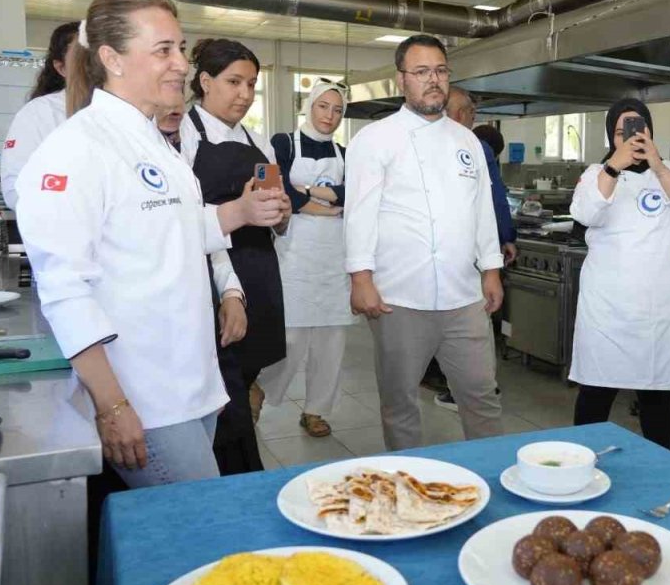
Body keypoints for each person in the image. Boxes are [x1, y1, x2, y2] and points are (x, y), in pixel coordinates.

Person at [15, 0, 285, 487]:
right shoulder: (76, 150)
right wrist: (111, 403)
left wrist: (240, 212)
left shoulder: (155, 143)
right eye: (164, 50)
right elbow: (65, 289)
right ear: (112, 58)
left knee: (173, 541)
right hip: (144, 397)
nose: (181, 64)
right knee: (196, 540)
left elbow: (177, 231)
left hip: (191, 385)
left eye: (181, 48)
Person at [344, 34, 506, 450]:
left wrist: (491, 269)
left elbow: (482, 211)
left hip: (463, 296)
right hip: (399, 297)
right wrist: (360, 277)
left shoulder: (467, 141)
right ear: (402, 81)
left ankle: (492, 481)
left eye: (440, 71)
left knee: (481, 397)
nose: (432, 80)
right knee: (400, 403)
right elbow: (359, 212)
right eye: (421, 72)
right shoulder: (374, 139)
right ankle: (407, 489)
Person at [569, 99, 670, 449]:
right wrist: (614, 168)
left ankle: (659, 474)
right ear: (611, 138)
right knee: (595, 395)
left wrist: (658, 166)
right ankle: (578, 467)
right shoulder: (595, 174)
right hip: (607, 313)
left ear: (650, 132)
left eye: (637, 130)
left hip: (657, 313)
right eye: (621, 132)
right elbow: (585, 213)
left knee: (657, 400)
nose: (630, 138)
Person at [179, 39, 290, 460]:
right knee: (222, 387)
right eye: (234, 82)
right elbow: (189, 220)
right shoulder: (183, 136)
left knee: (243, 375)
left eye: (252, 85)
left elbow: (275, 206)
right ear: (205, 81)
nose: (244, 94)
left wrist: (281, 215)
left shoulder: (260, 142)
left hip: (259, 266)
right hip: (212, 269)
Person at [261, 80, 353, 437]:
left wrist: (308, 193)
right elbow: (272, 186)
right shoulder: (280, 143)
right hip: (294, 255)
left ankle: (316, 410)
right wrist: (327, 208)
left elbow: (353, 191)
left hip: (334, 259)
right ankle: (261, 391)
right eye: (323, 106)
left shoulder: (346, 152)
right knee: (289, 338)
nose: (330, 116)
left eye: (337, 110)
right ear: (310, 106)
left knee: (331, 342)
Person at [431, 87, 517, 412]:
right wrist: (507, 235)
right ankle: (475, 388)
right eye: (469, 111)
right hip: (471, 258)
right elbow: (496, 200)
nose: (472, 117)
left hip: (454, 257)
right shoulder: (476, 147)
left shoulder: (446, 146)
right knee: (477, 322)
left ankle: (463, 386)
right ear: (461, 113)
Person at [1, 21, 79, 209]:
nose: (95, 67)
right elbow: (15, 192)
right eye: (83, 59)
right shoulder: (40, 113)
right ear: (61, 68)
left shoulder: (125, 112)